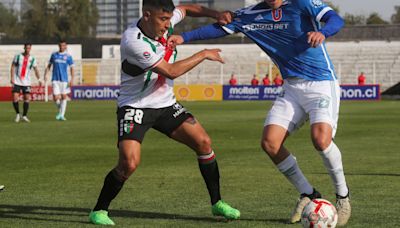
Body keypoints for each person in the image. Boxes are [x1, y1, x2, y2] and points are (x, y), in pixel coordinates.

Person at [168, 0, 351, 226]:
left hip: (321, 82)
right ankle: (309, 194)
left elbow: (336, 19)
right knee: (270, 143)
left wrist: (322, 33)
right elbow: (219, 28)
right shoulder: (250, 15)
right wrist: (184, 38)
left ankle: (343, 197)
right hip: (291, 87)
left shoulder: (302, 3)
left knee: (321, 140)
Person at [88, 0, 240, 225]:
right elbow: (171, 71)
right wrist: (203, 53)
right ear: (147, 15)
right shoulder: (133, 40)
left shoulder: (164, 22)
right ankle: (99, 210)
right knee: (129, 163)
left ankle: (217, 203)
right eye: (163, 19)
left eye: (169, 19)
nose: (168, 25)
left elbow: (187, 8)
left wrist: (214, 13)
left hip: (166, 105)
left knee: (204, 143)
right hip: (135, 106)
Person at [10, 43, 41, 123]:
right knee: (15, 97)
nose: (27, 49)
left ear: (30, 49)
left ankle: (24, 116)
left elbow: (36, 69)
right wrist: (12, 77)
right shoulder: (18, 56)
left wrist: (39, 79)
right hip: (17, 81)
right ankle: (17, 114)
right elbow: (13, 66)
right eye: (26, 48)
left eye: (29, 48)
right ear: (24, 48)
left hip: (27, 82)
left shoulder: (33, 59)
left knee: (27, 98)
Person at [44, 40, 75, 121]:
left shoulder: (68, 56)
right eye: (60, 45)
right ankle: (61, 112)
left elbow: (72, 68)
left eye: (63, 45)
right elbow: (49, 65)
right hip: (55, 79)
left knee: (64, 96)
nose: (62, 47)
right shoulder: (54, 55)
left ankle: (61, 115)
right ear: (59, 46)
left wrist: (72, 79)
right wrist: (46, 74)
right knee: (55, 97)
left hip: (64, 80)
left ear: (66, 46)